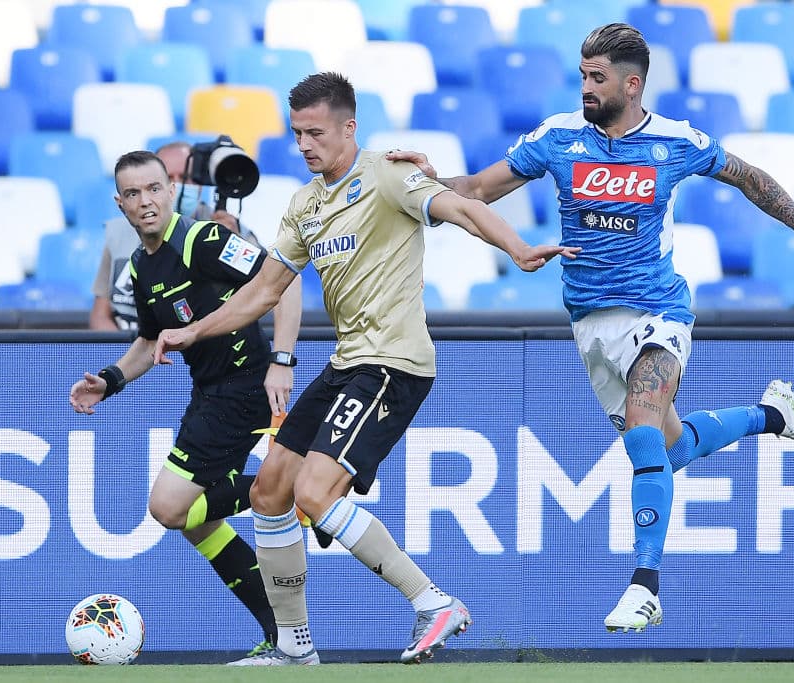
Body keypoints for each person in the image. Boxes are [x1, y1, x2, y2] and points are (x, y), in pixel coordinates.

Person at [387, 23, 794, 634]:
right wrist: (420, 182)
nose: (585, 87)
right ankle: (773, 415)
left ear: (632, 83)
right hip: (591, 323)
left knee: (644, 437)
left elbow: (748, 176)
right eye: (581, 75)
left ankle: (644, 586)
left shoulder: (674, 141)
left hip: (659, 312)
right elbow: (475, 190)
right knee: (672, 450)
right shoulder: (558, 138)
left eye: (596, 77)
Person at [152, 72, 580, 666]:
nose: (304, 145)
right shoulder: (305, 204)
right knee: (272, 491)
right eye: (297, 133)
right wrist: (192, 330)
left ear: (350, 128)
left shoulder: (386, 174)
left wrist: (517, 249)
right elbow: (264, 291)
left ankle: (433, 603)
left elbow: (460, 206)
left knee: (313, 491)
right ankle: (293, 646)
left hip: (393, 363)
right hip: (344, 364)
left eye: (316, 132)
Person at [70, 149, 303, 661]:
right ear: (120, 202)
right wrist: (109, 381)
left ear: (170, 190)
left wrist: (281, 361)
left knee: (168, 507)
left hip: (243, 390)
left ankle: (293, 489)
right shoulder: (139, 264)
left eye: (153, 188)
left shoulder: (203, 240)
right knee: (199, 523)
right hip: (210, 394)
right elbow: (151, 340)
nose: (145, 201)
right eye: (132, 194)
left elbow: (284, 281)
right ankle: (285, 636)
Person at [89, 141, 261, 331]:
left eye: (186, 178)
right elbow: (100, 314)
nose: (179, 185)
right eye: (169, 177)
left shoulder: (226, 233)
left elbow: (271, 285)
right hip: (139, 346)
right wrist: (120, 353)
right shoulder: (118, 233)